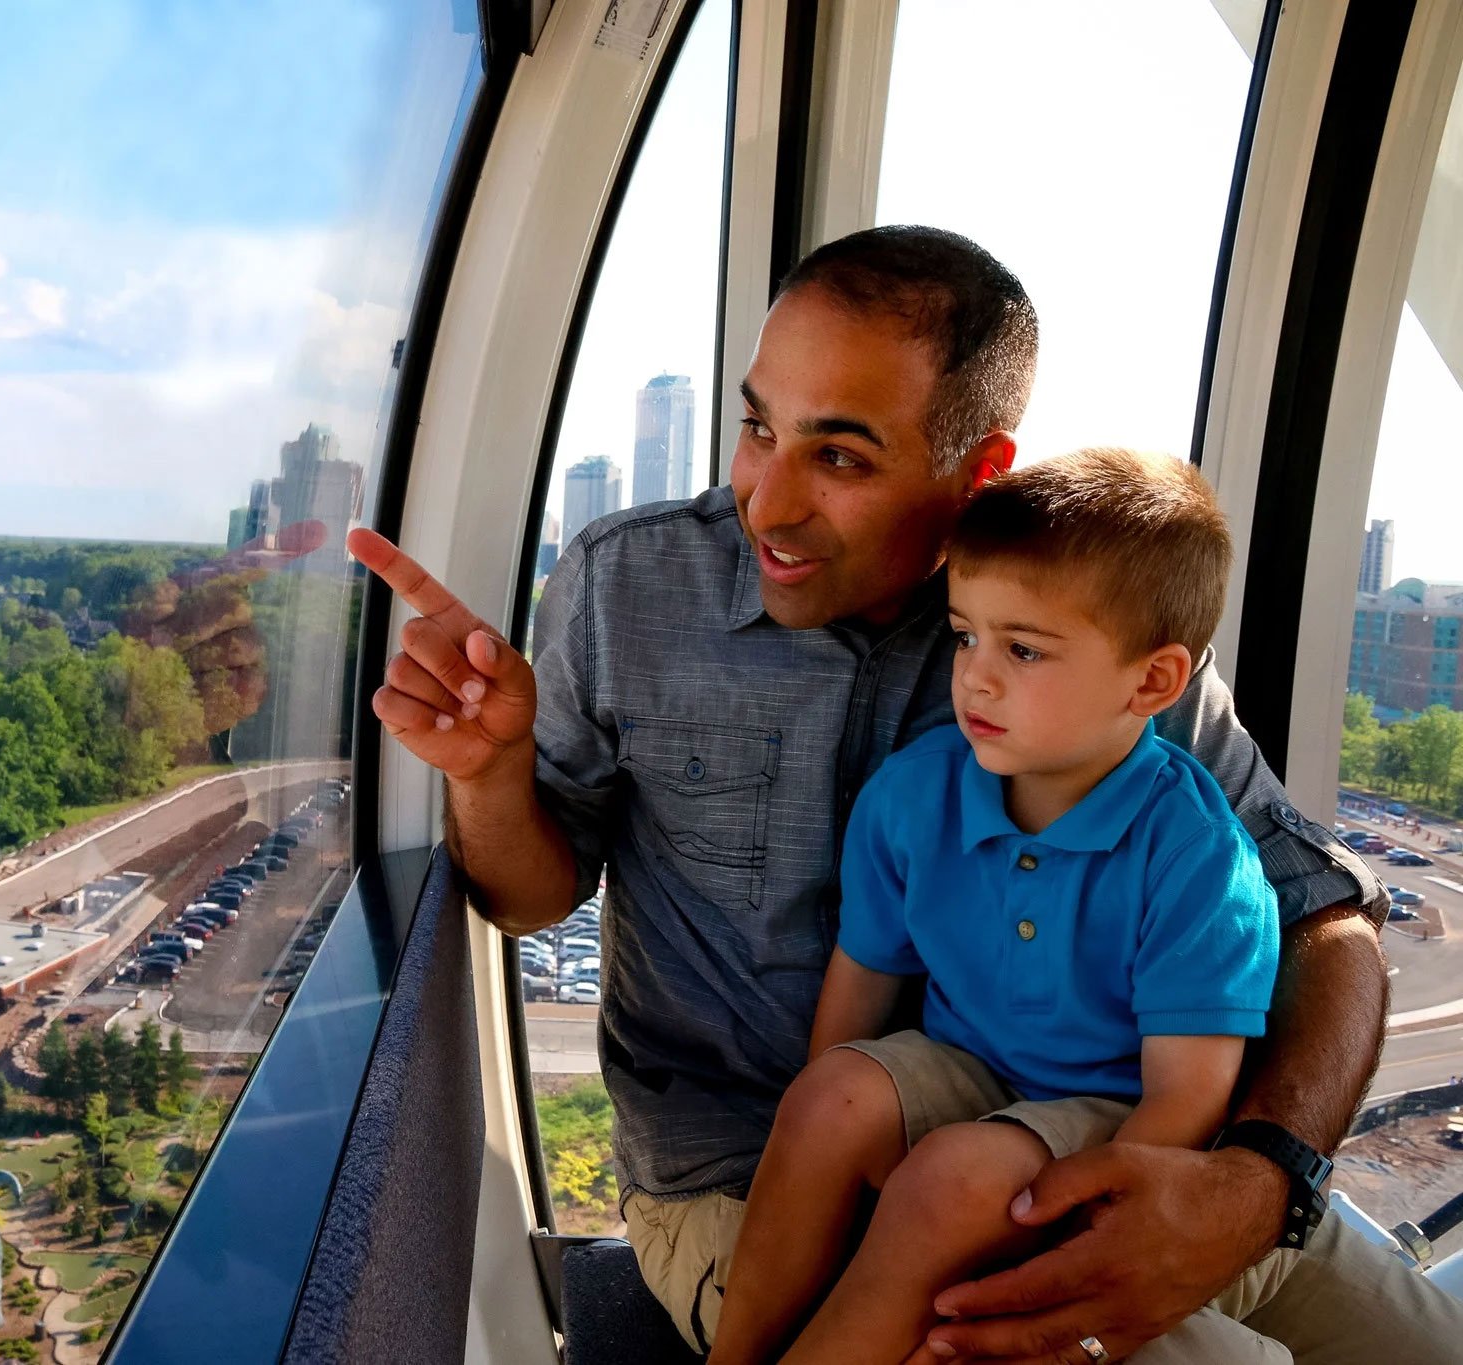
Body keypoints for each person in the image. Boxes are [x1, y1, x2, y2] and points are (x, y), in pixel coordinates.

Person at [350, 225, 1463, 1363]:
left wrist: (1255, 1175)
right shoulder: (624, 585)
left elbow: (1323, 916)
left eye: (838, 457)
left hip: (1112, 1149)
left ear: (976, 471)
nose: (766, 505)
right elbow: (533, 897)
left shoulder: (1084, 617)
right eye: (755, 428)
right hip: (750, 1182)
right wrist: (488, 775)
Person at [707, 449, 1283, 1365]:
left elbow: (1185, 1099)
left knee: (955, 1177)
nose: (974, 676)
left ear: (1153, 682)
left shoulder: (1198, 858)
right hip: (969, 1069)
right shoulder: (914, 796)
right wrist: (840, 1135)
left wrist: (1077, 1234)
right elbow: (860, 988)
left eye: (1023, 649)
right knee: (827, 1097)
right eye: (965, 634)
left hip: (1107, 1107)